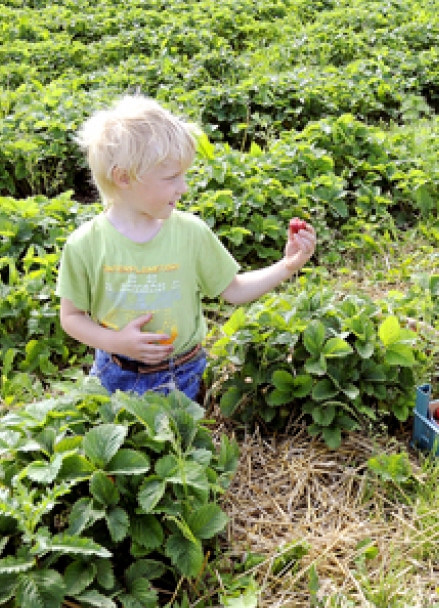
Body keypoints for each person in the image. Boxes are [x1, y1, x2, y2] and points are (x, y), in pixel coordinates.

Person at [56, 94, 316, 400]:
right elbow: (71, 317)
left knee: (178, 441)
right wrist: (116, 342)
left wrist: (287, 266)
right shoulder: (85, 244)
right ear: (124, 178)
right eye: (171, 177)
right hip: (113, 371)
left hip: (181, 372)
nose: (184, 187)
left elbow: (233, 289)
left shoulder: (190, 233)